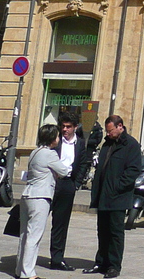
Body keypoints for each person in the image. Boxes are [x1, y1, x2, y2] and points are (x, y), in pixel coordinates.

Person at [84, 114, 142, 278]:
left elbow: (133, 170)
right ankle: (101, 262)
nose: (108, 134)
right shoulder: (107, 144)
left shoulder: (131, 145)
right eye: (107, 131)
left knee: (115, 233)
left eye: (110, 131)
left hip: (118, 196)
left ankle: (114, 266)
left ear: (120, 127)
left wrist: (117, 186)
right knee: (102, 231)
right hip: (103, 195)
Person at [16, 124, 70, 279]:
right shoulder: (50, 154)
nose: (59, 138)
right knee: (34, 236)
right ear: (52, 138)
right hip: (40, 197)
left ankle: (20, 269)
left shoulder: (35, 152)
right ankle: (29, 273)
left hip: (27, 195)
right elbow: (64, 171)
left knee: (24, 235)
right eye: (58, 136)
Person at [49, 113, 93, 271]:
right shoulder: (55, 140)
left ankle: (57, 259)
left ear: (75, 127)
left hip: (67, 184)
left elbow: (82, 164)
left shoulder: (80, 143)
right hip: (51, 183)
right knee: (38, 221)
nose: (64, 129)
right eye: (63, 126)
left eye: (68, 127)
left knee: (60, 224)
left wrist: (76, 184)